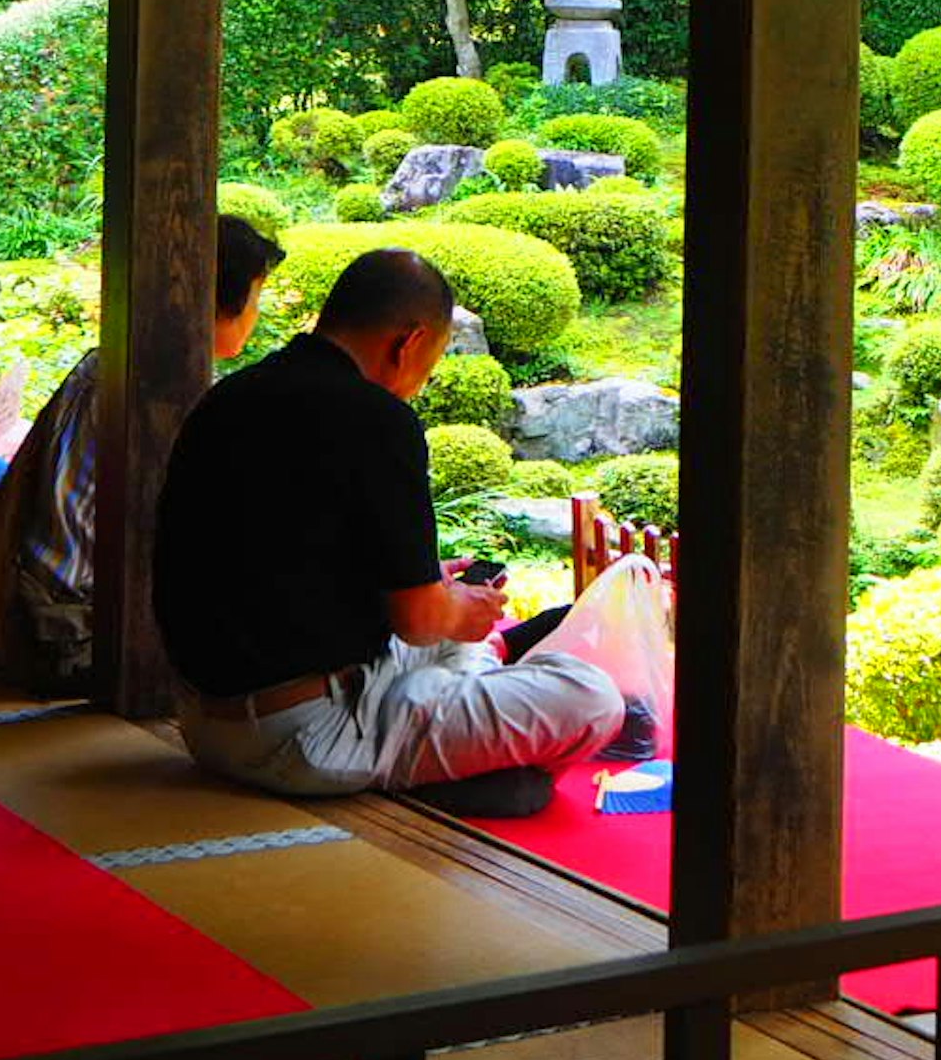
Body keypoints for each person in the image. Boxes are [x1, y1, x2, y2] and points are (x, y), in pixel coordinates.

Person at [154, 246, 641, 808]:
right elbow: (419, 621)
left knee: (453, 633)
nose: (418, 384)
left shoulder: (230, 396)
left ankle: (464, 698)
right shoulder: (376, 417)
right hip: (309, 738)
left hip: (205, 725)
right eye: (428, 368)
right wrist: (453, 606)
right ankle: (430, 759)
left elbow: (283, 560)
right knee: (593, 699)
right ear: (408, 343)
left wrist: (437, 589)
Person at [0, 215, 284, 692]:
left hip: (8, 610)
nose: (257, 312)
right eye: (256, 297)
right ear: (218, 297)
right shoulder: (162, 387)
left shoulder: (120, 359)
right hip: (62, 630)